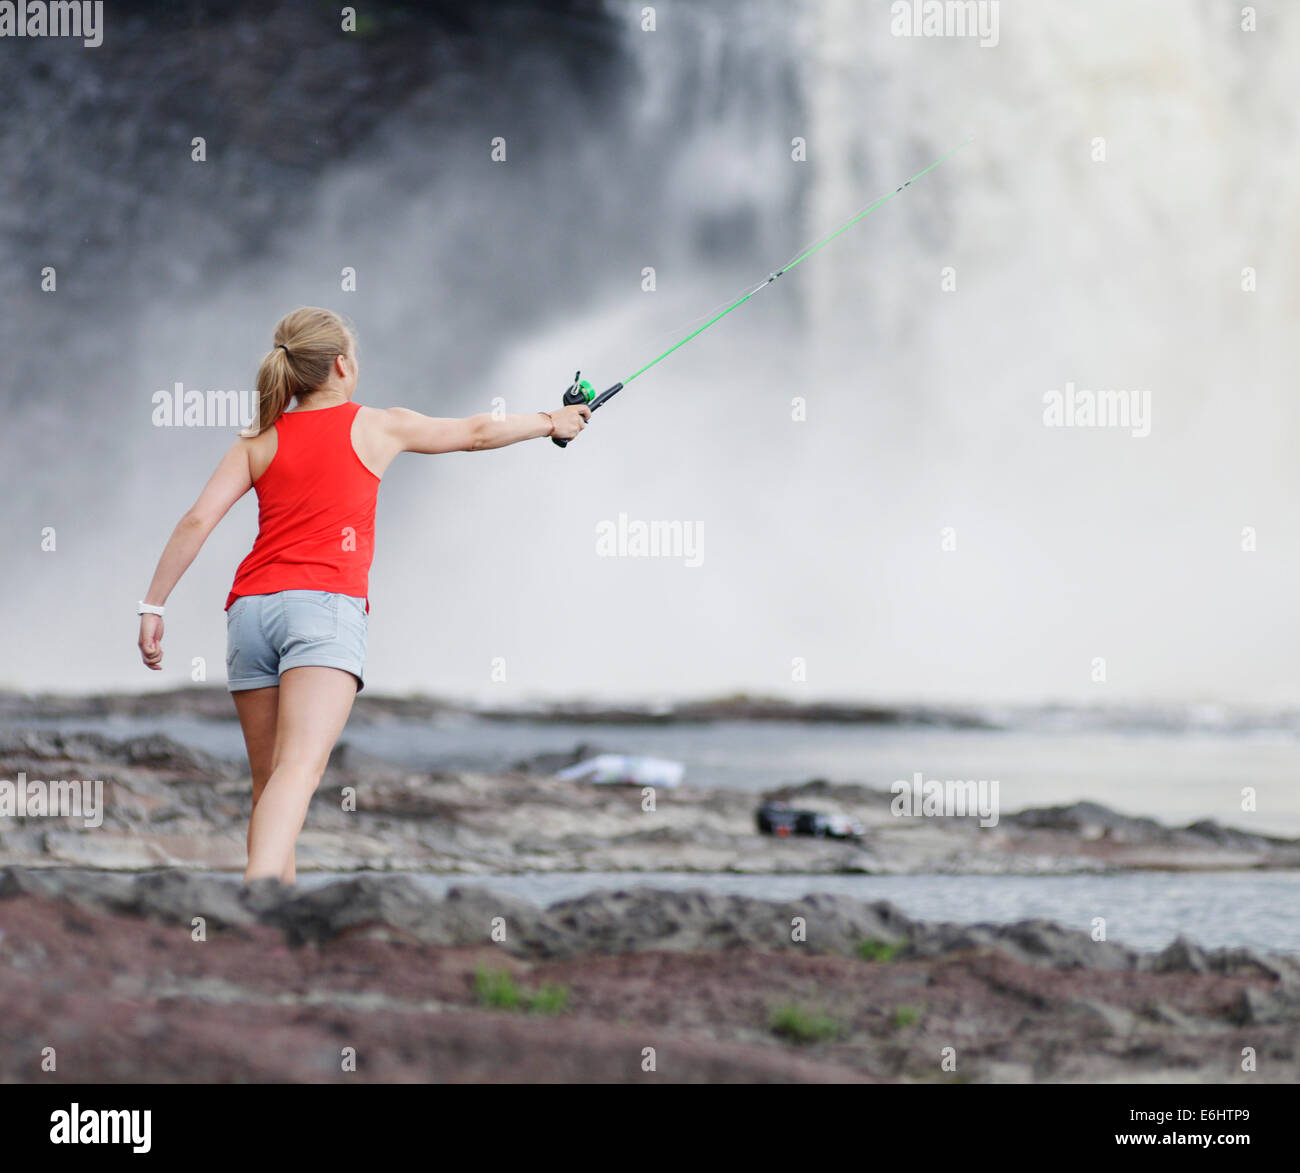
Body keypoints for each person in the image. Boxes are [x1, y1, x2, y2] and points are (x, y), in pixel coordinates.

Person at [136, 306, 590, 883]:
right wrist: (552, 420)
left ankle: (271, 921)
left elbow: (197, 521)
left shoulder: (257, 440)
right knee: (298, 773)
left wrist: (153, 606)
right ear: (343, 366)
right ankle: (255, 895)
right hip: (323, 610)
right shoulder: (377, 425)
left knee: (272, 784)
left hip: (249, 612)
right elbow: (476, 433)